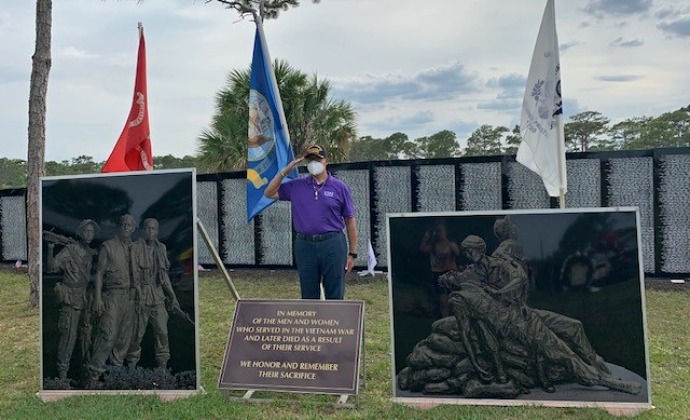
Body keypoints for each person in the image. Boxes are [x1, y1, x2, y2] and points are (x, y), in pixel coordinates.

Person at [264, 144, 357, 300]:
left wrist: (353, 253)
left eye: (317, 159)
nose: (313, 163)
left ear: (326, 161)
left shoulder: (340, 187)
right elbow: (269, 193)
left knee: (335, 292)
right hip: (305, 245)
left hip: (332, 243)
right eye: (310, 160)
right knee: (308, 294)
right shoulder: (297, 186)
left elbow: (350, 220)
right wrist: (285, 171)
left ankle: (334, 323)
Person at [85, 214, 137, 384]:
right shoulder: (108, 246)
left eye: (129, 225)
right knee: (107, 335)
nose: (126, 227)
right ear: (119, 226)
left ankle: (115, 374)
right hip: (112, 295)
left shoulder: (133, 248)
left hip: (129, 296)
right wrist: (98, 298)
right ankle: (93, 376)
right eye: (123, 224)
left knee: (124, 338)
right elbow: (99, 273)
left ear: (133, 229)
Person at [45, 219, 99, 380]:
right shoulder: (69, 250)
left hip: (85, 297)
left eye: (92, 232)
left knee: (87, 335)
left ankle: (86, 374)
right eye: (87, 231)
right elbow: (51, 267)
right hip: (70, 297)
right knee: (68, 336)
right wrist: (50, 249)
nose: (89, 234)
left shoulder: (90, 252)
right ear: (80, 232)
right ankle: (62, 375)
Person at [126, 218, 181, 369]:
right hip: (141, 295)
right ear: (143, 230)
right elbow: (132, 274)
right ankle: (131, 367)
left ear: (157, 231)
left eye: (154, 229)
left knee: (162, 332)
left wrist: (173, 297)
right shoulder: (135, 247)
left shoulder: (161, 248)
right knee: (137, 334)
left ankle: (162, 370)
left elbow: (164, 277)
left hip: (157, 295)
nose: (151, 232)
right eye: (148, 229)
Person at [419, 222, 459, 317]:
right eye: (438, 231)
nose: (439, 233)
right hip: (438, 274)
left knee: (455, 301)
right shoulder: (433, 246)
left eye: (441, 231)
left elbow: (457, 252)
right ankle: (446, 323)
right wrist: (426, 236)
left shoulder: (450, 244)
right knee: (443, 302)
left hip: (450, 273)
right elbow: (423, 249)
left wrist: (445, 240)